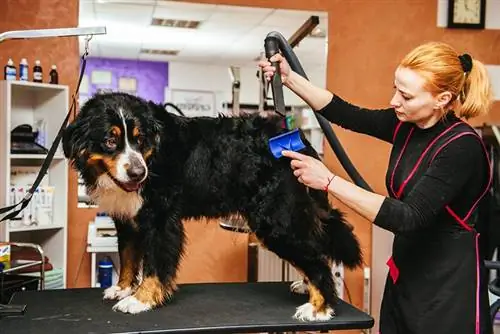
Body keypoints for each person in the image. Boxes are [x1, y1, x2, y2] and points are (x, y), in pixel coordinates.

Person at [259, 41, 494, 334]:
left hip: (447, 287)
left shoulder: (462, 147)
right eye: (395, 89)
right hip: (407, 274)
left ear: (442, 99)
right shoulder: (406, 125)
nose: (395, 101)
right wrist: (290, 79)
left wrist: (329, 180)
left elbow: (408, 217)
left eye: (406, 95)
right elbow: (345, 113)